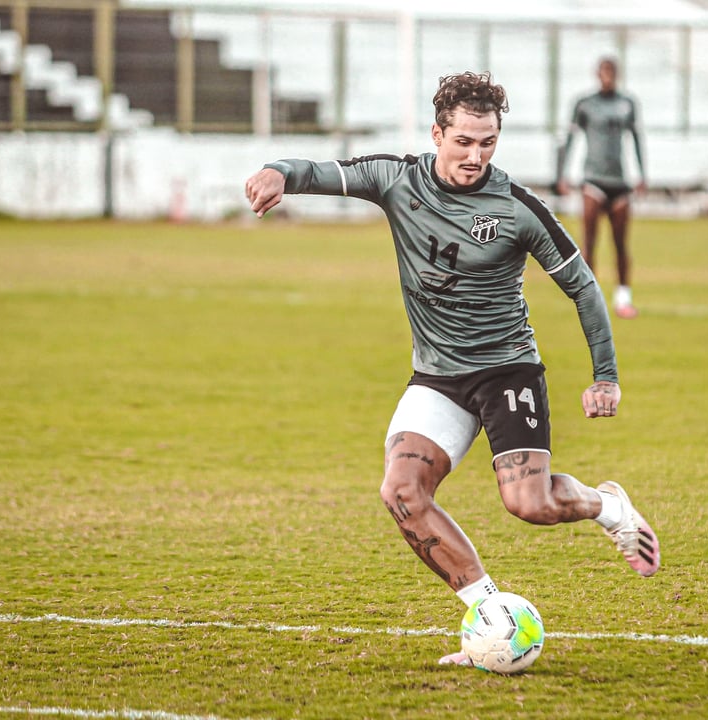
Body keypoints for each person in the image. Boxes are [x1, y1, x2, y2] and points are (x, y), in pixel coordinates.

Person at [244, 71, 660, 667]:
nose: (475, 155)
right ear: (438, 133)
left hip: (507, 370)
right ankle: (488, 614)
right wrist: (277, 172)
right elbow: (320, 172)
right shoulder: (397, 178)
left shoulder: (516, 207)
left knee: (529, 504)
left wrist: (605, 375)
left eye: (487, 143)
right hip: (438, 376)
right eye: (463, 141)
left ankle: (609, 506)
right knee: (402, 492)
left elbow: (583, 287)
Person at [555, 57, 647, 319]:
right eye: (603, 72)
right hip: (592, 180)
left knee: (620, 243)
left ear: (616, 74)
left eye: (611, 72)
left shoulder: (627, 104)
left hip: (620, 182)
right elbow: (570, 138)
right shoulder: (584, 104)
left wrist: (642, 174)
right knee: (589, 242)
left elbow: (637, 139)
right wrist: (563, 174)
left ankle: (623, 298)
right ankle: (590, 299)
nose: (607, 77)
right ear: (597, 74)